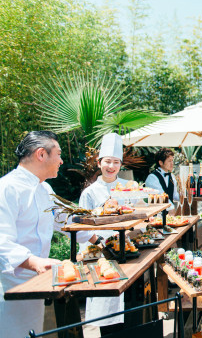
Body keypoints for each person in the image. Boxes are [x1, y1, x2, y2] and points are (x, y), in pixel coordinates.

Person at [0, 131, 97, 338]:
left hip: (41, 283)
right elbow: (1, 241)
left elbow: (66, 220)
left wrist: (100, 241)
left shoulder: (45, 189)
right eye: (59, 154)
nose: (62, 161)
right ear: (41, 154)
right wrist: (33, 261)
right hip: (11, 285)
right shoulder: (6, 188)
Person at [79, 132, 127, 335]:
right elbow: (81, 227)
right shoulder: (89, 193)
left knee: (130, 309)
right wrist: (95, 246)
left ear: (120, 165)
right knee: (107, 310)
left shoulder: (128, 188)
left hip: (128, 251)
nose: (111, 166)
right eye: (107, 161)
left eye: (116, 162)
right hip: (100, 255)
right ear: (99, 163)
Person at [145, 148, 179, 213]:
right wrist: (172, 208)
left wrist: (187, 197)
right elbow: (161, 197)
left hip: (169, 214)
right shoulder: (152, 178)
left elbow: (175, 195)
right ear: (160, 162)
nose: (172, 163)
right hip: (157, 215)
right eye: (169, 161)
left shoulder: (172, 176)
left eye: (172, 160)